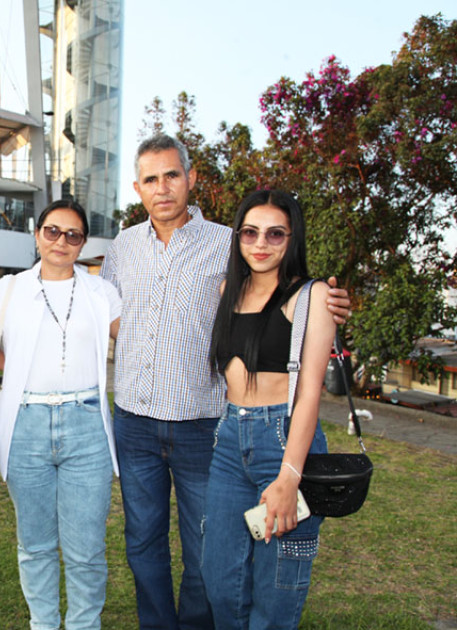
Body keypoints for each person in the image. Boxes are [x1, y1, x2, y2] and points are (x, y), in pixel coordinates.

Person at [100, 134, 350, 630]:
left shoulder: (228, 242)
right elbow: (105, 311)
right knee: (142, 541)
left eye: (172, 175)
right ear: (137, 187)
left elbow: (280, 294)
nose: (163, 188)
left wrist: (328, 302)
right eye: (151, 179)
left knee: (206, 550)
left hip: (204, 424)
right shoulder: (122, 246)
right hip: (135, 421)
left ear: (191, 179)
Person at [0, 200, 121, 630]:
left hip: (87, 425)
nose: (61, 241)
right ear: (37, 233)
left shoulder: (102, 292)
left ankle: (83, 625)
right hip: (26, 425)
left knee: (86, 548)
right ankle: (43, 624)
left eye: (73, 234)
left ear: (83, 243)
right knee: (35, 544)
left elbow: (140, 342)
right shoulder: (7, 289)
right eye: (52, 231)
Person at [201, 189, 333, 628]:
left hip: (284, 438)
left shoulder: (310, 297)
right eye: (250, 233)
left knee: (277, 589)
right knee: (219, 582)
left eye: (275, 234)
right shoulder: (227, 290)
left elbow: (310, 394)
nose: (261, 244)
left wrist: (289, 476)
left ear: (292, 239)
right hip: (228, 441)